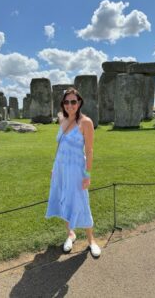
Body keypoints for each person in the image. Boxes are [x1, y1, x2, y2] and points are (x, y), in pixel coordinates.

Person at [46, 87, 101, 258]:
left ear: (79, 103)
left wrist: (87, 174)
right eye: (67, 102)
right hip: (61, 169)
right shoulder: (61, 118)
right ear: (63, 104)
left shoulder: (86, 122)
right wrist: (54, 167)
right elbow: (59, 145)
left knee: (81, 202)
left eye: (73, 102)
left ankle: (91, 240)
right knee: (64, 200)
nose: (70, 105)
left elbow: (90, 151)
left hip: (77, 170)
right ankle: (70, 234)